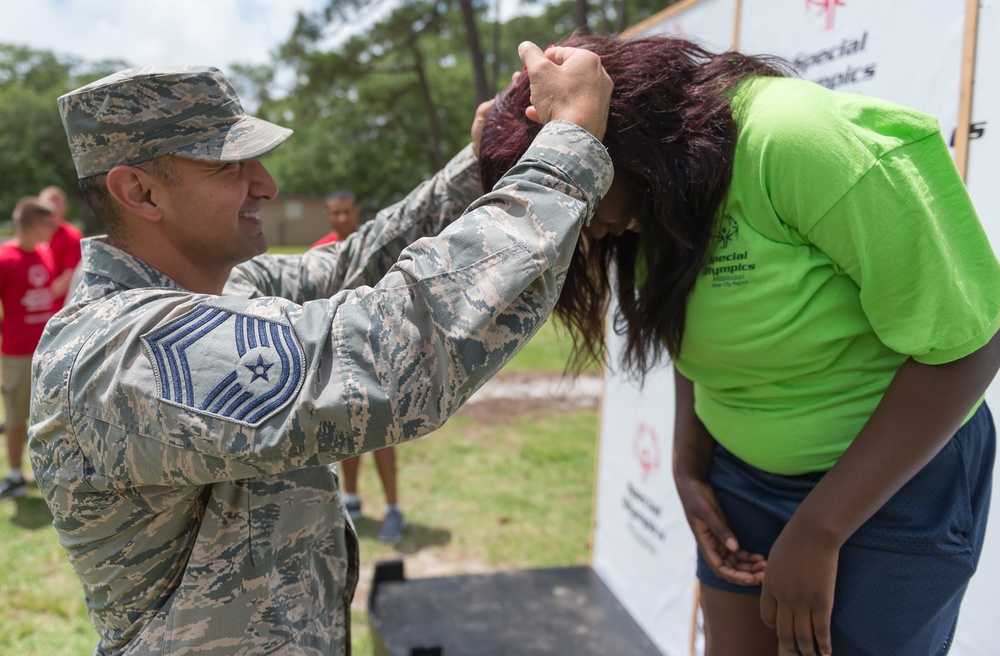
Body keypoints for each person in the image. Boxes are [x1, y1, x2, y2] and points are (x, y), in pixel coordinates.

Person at [29, 43, 613, 656]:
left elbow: (356, 264)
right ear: (140, 192)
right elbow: (393, 355)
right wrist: (567, 150)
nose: (267, 185)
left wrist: (480, 158)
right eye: (229, 167)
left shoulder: (222, 288)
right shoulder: (115, 354)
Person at [480, 34, 1000, 656]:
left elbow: (967, 344)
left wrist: (819, 529)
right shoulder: (648, 191)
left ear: (618, 135)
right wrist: (688, 463)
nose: (587, 235)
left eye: (583, 207)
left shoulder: (792, 140)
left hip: (889, 489)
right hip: (742, 481)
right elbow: (689, 327)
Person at [312, 189, 404, 540]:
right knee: (348, 430)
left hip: (378, 351)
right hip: (339, 355)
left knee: (383, 435)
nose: (340, 219)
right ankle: (350, 498)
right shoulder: (320, 253)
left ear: (356, 211)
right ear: (326, 215)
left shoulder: (374, 248)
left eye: (346, 212)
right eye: (333, 213)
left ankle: (394, 509)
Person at [0, 197, 58, 500]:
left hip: (48, 351)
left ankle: (46, 471)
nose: (54, 230)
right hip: (18, 353)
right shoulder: (5, 258)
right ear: (35, 225)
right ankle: (13, 476)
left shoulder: (44, 254)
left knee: (48, 416)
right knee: (15, 418)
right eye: (50, 225)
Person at [38, 185, 84, 306]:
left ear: (64, 209)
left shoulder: (72, 237)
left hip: (56, 308)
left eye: (55, 209)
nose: (50, 214)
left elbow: (69, 277)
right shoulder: (33, 234)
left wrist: (40, 298)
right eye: (46, 208)